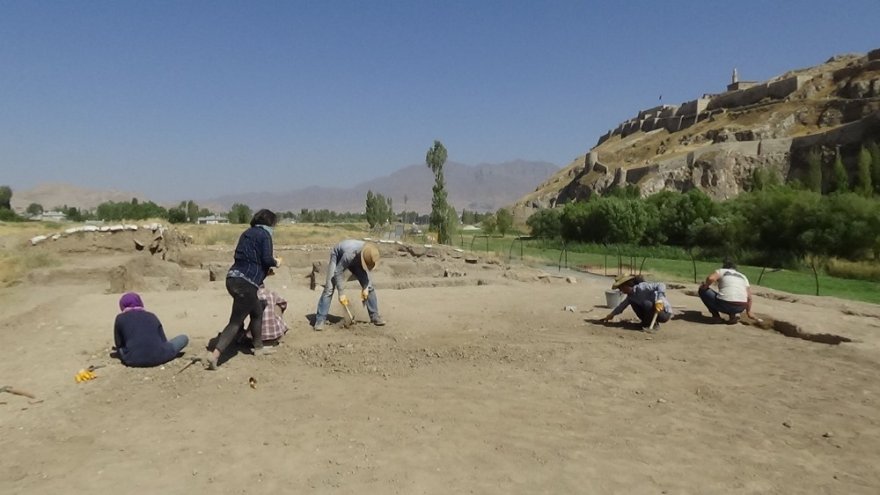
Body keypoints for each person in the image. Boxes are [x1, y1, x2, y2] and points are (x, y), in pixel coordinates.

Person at [206, 209, 280, 370]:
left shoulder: (247, 233)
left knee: (257, 312)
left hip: (232, 278)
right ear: (270, 223)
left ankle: (258, 347)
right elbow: (266, 258)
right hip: (246, 283)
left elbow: (247, 257)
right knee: (235, 321)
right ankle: (215, 355)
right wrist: (276, 263)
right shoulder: (265, 235)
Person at [313, 239, 384, 331]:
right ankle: (320, 320)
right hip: (338, 256)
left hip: (356, 260)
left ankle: (375, 316)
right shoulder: (349, 254)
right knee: (329, 288)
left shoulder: (369, 253)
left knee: (369, 288)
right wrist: (341, 293)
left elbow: (367, 272)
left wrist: (366, 286)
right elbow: (337, 272)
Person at [113, 292, 189, 367]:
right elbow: (163, 340)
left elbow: (119, 344)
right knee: (183, 338)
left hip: (132, 360)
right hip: (160, 357)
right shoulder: (152, 316)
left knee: (122, 350)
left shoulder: (120, 318)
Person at [600, 274, 672, 332]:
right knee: (634, 303)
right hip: (652, 312)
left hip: (663, 313)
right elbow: (621, 306)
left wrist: (659, 299)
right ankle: (645, 323)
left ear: (626, 285)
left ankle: (653, 325)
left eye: (621, 288)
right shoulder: (631, 297)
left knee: (646, 304)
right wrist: (611, 315)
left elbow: (661, 285)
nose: (621, 291)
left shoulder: (642, 287)